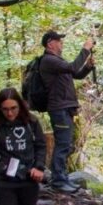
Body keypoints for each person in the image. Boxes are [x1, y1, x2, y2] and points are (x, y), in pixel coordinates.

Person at [38, 29, 94, 193]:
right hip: (59, 108)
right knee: (63, 144)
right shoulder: (49, 61)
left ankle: (62, 177)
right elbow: (72, 67)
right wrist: (86, 49)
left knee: (66, 143)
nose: (62, 43)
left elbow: (75, 74)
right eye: (59, 40)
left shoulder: (56, 61)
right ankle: (58, 181)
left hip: (65, 108)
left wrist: (88, 67)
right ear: (50, 43)